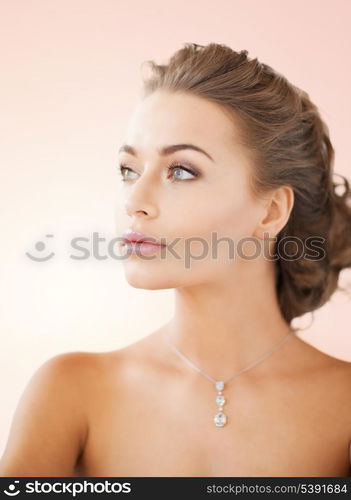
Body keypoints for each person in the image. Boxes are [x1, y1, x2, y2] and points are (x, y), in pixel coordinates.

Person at [1, 42, 351, 478]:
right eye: (128, 170)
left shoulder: (344, 409)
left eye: (181, 171)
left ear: (271, 210)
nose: (135, 201)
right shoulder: (70, 392)